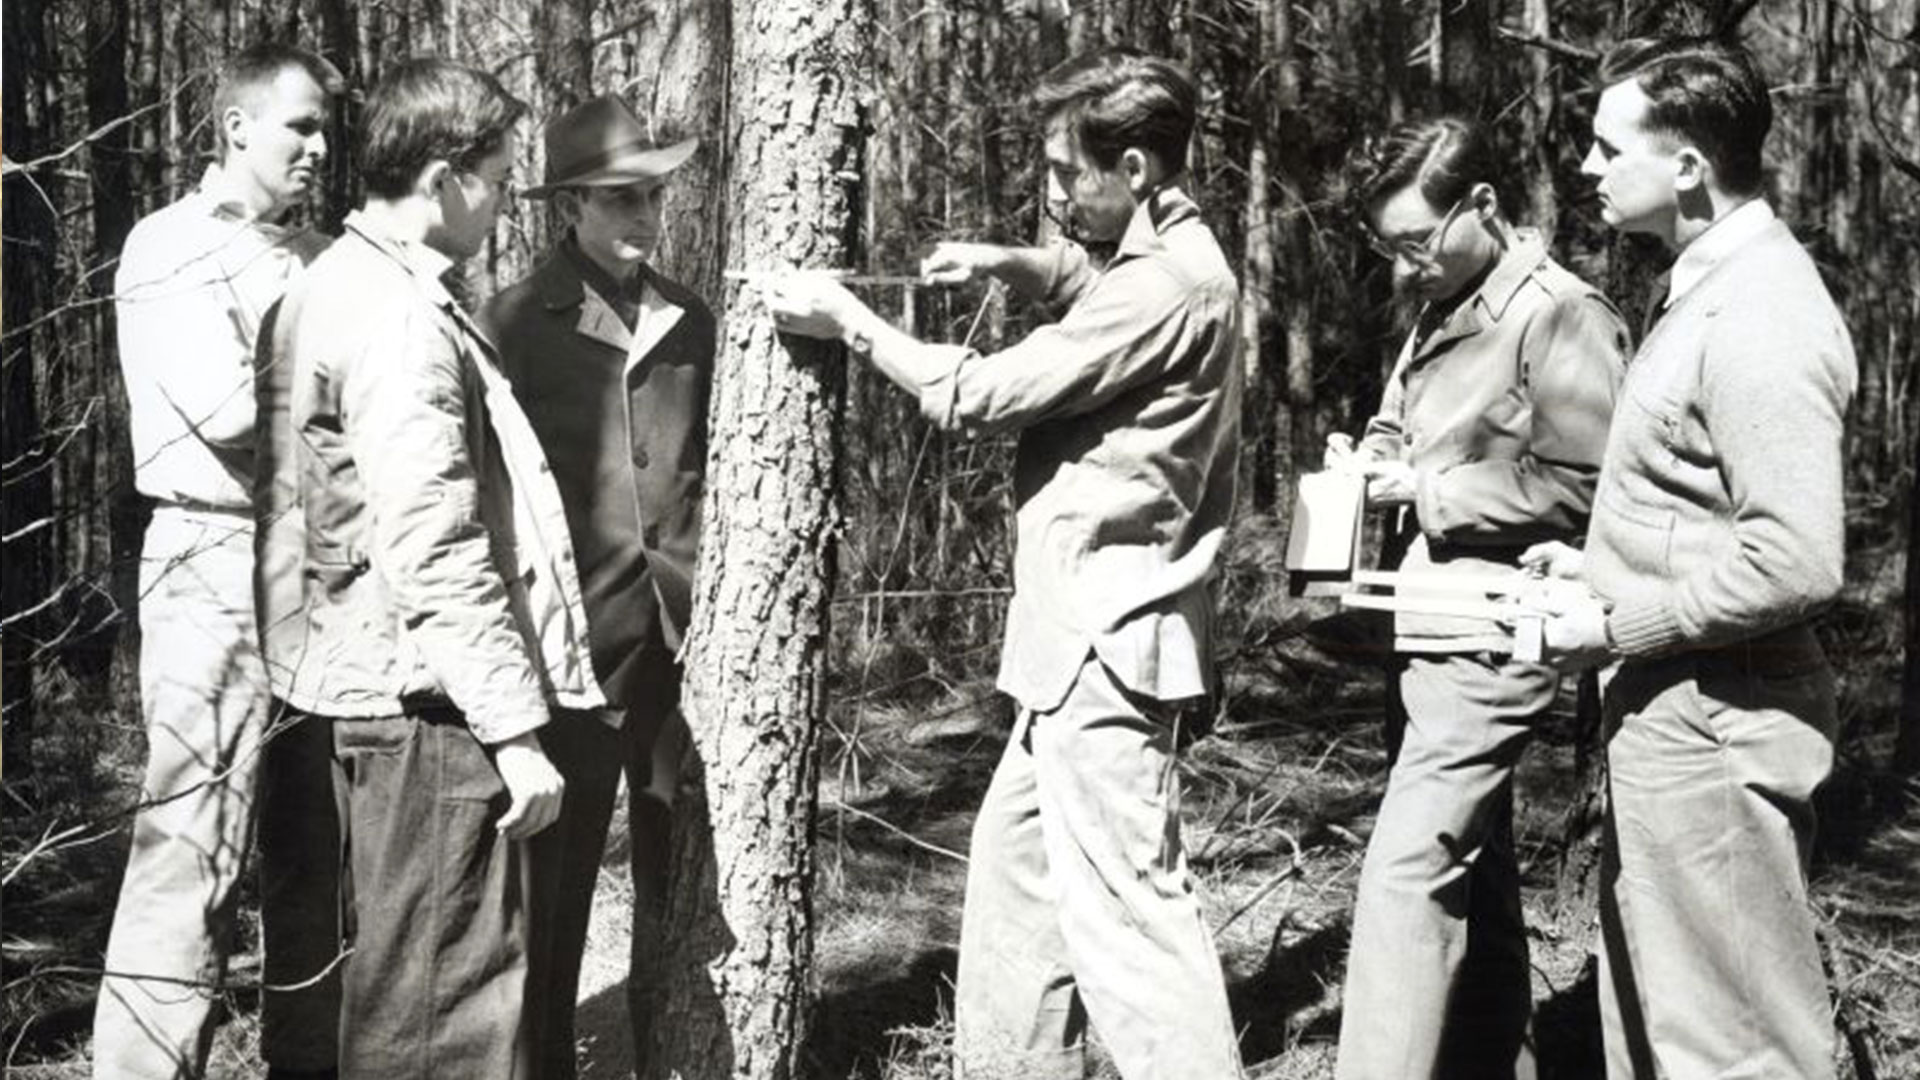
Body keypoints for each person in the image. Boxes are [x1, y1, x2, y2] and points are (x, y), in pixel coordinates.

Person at [766, 48, 1245, 1080]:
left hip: (1110, 648)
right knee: (1020, 890)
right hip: (1074, 647)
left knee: (1133, 927)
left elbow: (970, 394)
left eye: (1071, 175)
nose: (1055, 195)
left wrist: (847, 321)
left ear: (1136, 168)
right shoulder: (1164, 252)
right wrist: (1006, 261)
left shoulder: (1167, 286)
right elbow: (1086, 275)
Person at [254, 59, 598, 1078]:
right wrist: (515, 729)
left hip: (342, 688)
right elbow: (434, 539)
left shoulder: (328, 283)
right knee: (444, 1016)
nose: (498, 202)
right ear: (446, 177)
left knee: (379, 997)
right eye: (495, 176)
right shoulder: (401, 315)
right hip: (423, 710)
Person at [1524, 36, 1856, 1080]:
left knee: (1737, 1051)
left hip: (1722, 724)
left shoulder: (1760, 308)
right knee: (1662, 1032)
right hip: (1675, 719)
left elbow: (1795, 559)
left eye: (1604, 144)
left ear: (1685, 168)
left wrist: (1617, 624)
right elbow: (1695, 502)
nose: (1585, 165)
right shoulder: (1705, 285)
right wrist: (1591, 569)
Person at [1325, 118, 1628, 1080]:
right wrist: (1372, 462)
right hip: (1423, 621)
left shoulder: (1562, 314)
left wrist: (1431, 492)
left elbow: (1587, 485)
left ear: (1483, 207)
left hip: (1495, 628)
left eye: (1418, 241)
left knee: (1408, 877)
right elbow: (1402, 427)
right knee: (1477, 873)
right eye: (1391, 248)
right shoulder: (1439, 305)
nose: (1407, 266)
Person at [95, 41, 342, 1080]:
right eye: (299, 126)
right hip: (211, 562)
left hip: (320, 571)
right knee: (191, 853)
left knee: (322, 858)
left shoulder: (321, 253)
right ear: (236, 126)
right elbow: (234, 414)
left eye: (326, 128)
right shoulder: (170, 247)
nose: (320, 148)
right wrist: (353, 385)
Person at [479, 94, 712, 1080]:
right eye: (620, 199)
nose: (643, 218)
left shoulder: (691, 320)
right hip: (571, 658)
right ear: (569, 205)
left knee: (685, 890)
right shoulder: (513, 327)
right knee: (555, 900)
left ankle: (676, 1056)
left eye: (653, 196)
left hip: (689, 647)